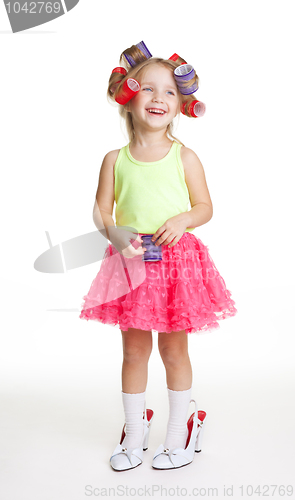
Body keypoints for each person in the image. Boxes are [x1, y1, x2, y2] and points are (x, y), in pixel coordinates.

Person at [79, 42, 237, 471]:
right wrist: (113, 231)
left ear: (181, 104)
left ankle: (181, 428)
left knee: (173, 350)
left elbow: (205, 206)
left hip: (176, 264)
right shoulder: (115, 160)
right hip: (131, 261)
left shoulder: (184, 157)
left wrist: (184, 219)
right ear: (128, 100)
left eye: (169, 92)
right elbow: (102, 209)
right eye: (148, 89)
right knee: (133, 352)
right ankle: (134, 429)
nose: (158, 99)